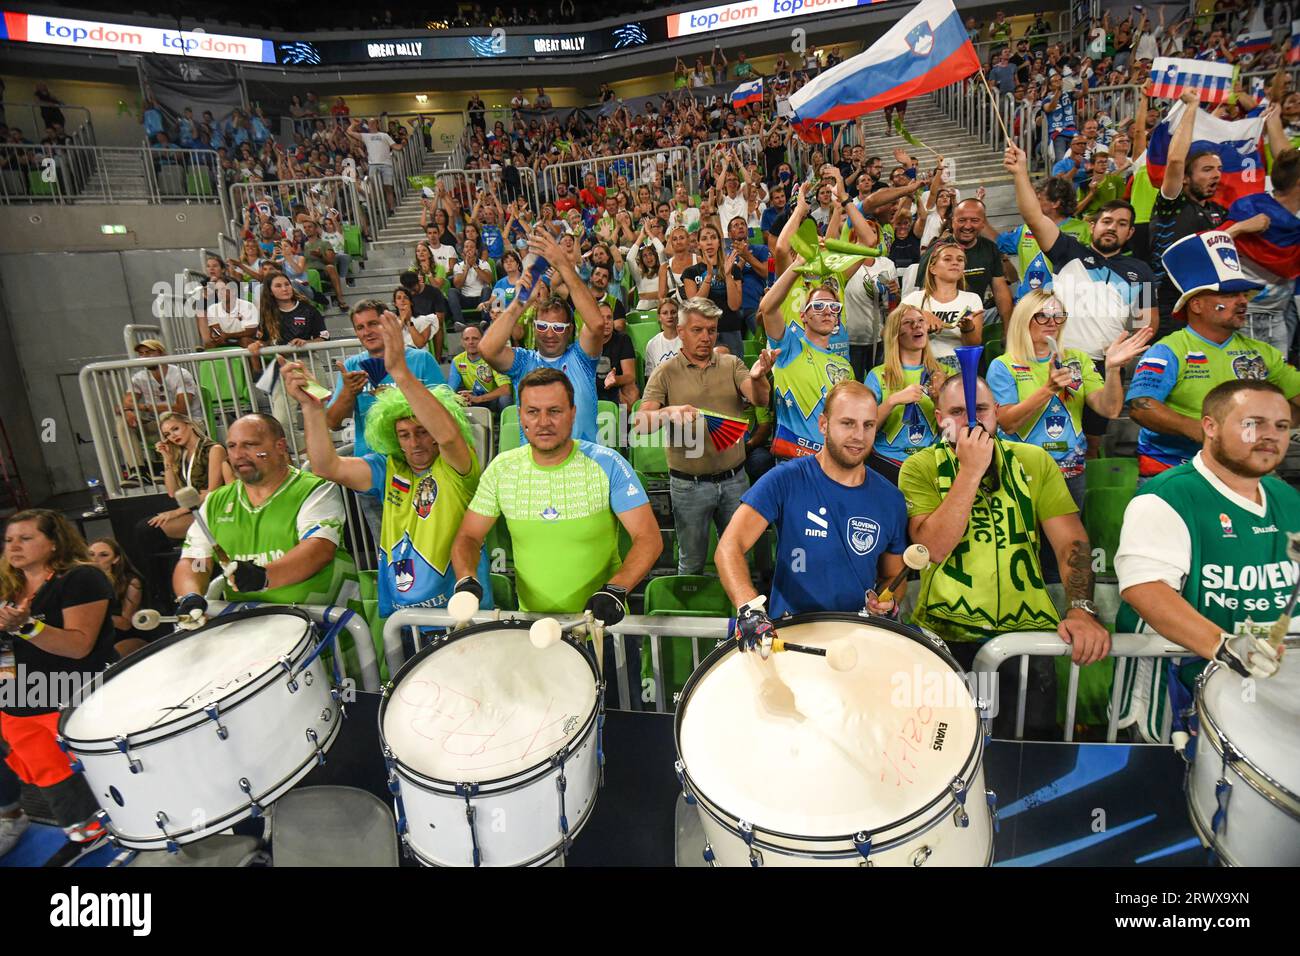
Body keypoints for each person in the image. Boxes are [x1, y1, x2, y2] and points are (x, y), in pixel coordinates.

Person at [899, 374, 1111, 736]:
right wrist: (971, 470)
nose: (971, 421)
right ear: (939, 418)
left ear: (996, 411)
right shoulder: (919, 467)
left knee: (1025, 757)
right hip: (947, 635)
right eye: (957, 412)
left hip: (1027, 637)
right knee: (947, 748)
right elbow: (933, 549)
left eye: (980, 409)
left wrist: (1080, 609)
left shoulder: (1035, 460)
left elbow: (1071, 542)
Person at [1115, 380, 1298, 743]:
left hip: (1267, 699)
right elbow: (1145, 589)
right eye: (1253, 423)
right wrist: (1225, 645)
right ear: (1210, 427)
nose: (1270, 436)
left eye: (1281, 426)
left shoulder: (1287, 498)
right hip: (1172, 703)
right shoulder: (1167, 496)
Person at [282, 313, 490, 620]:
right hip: (403, 616)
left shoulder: (457, 463)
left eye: (422, 431)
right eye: (404, 435)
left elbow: (447, 435)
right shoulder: (387, 466)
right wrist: (311, 408)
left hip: (460, 610)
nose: (415, 442)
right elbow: (326, 466)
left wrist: (400, 373)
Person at [450, 368, 663, 617]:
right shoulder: (501, 469)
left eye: (554, 411)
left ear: (572, 413)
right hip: (534, 630)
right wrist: (466, 579)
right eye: (533, 412)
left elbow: (648, 538)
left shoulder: (608, 463)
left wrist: (616, 589)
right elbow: (468, 537)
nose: (543, 422)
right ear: (520, 416)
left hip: (601, 627)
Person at [717, 382, 908, 641]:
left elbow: (893, 575)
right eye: (847, 423)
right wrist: (750, 609)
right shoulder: (785, 480)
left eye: (868, 425)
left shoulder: (890, 498)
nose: (859, 436)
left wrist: (888, 600)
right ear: (823, 424)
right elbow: (729, 547)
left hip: (857, 639)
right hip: (792, 634)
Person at [1005, 143, 1159, 454]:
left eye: (1122, 224)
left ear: (1130, 233)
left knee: (1091, 440)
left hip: (1102, 367)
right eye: (1107, 221)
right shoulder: (1068, 252)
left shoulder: (1138, 270)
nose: (1113, 228)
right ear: (1093, 225)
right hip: (1054, 359)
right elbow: (1034, 217)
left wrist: (1124, 351)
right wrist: (1020, 172)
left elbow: (1146, 324)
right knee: (1041, 432)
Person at [1127, 232, 1300, 480]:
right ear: (1196, 305)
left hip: (1241, 469)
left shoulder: (1262, 353)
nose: (1242, 302)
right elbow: (1140, 407)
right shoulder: (1168, 351)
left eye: (1244, 295)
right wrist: (1208, 433)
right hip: (1175, 470)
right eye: (1229, 296)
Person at [636, 297, 776, 576]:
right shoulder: (665, 373)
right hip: (688, 485)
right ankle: (692, 617)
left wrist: (760, 377)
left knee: (738, 558)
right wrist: (667, 413)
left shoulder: (732, 364)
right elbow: (641, 423)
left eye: (711, 330)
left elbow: (759, 399)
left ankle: (737, 615)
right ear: (682, 331)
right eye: (698, 330)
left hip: (735, 479)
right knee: (691, 561)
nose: (706, 337)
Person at [0, 510, 115, 848]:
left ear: (53, 543)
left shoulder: (81, 578)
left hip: (74, 698)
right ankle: (87, 838)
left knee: (106, 780)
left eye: (25, 538)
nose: (14, 547)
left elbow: (79, 646)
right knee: (60, 791)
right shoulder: (10, 584)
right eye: (9, 540)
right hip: (20, 702)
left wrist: (26, 626)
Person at [171, 413, 355, 617]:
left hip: (322, 620)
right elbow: (196, 561)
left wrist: (263, 577)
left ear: (280, 446)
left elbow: (317, 551)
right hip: (249, 623)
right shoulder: (215, 502)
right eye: (232, 446)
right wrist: (191, 595)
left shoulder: (316, 489)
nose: (238, 454)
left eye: (250, 445)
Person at [327, 301, 446, 539]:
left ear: (389, 324)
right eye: (360, 327)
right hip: (371, 472)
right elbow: (332, 422)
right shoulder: (352, 367)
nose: (367, 331)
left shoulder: (421, 360)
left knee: (429, 543)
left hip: (420, 469)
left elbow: (445, 415)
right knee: (387, 548)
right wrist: (348, 393)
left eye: (373, 323)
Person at [479, 229, 605, 443]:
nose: (549, 334)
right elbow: (487, 349)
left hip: (581, 467)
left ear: (569, 330)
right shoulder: (524, 362)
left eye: (557, 328)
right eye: (543, 326)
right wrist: (520, 301)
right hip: (535, 471)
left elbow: (596, 324)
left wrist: (563, 265)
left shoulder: (581, 358)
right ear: (535, 327)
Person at [1148, 94, 1229, 338]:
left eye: (1219, 169)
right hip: (1167, 304)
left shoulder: (1218, 211)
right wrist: (1193, 107)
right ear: (1185, 177)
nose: (1216, 175)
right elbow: (1175, 160)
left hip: (1204, 302)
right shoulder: (1171, 204)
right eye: (1207, 170)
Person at [759, 262, 854, 460]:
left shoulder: (845, 366)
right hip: (793, 462)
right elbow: (767, 308)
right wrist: (799, 263)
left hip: (832, 463)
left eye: (833, 307)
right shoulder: (790, 347)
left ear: (837, 317)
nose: (827, 311)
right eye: (818, 306)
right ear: (803, 316)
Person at [864, 303, 948, 485]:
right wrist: (893, 400)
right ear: (896, 334)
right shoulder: (878, 375)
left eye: (920, 321)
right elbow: (864, 429)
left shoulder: (944, 373)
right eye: (908, 323)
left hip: (931, 461)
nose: (916, 326)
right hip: (887, 462)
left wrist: (940, 401)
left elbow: (954, 432)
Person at [116, 339, 200, 486]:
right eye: (141, 354)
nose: (144, 357)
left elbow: (182, 407)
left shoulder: (181, 373)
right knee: (123, 422)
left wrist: (145, 407)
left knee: (165, 420)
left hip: (189, 423)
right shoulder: (139, 377)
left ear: (161, 353)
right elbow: (126, 402)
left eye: (149, 352)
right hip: (158, 425)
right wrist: (127, 410)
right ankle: (139, 471)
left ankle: (169, 469)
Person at [900, 241, 984, 374]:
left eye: (960, 260)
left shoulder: (972, 299)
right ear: (932, 268)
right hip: (921, 363)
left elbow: (973, 345)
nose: (955, 263)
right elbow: (889, 332)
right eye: (947, 259)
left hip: (959, 364)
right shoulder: (914, 299)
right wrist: (919, 317)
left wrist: (968, 329)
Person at [682, 223, 744, 358]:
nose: (709, 242)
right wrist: (708, 277)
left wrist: (727, 275)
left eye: (713, 237)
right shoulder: (690, 272)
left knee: (734, 375)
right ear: (698, 244)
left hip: (730, 328)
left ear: (719, 242)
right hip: (703, 332)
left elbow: (734, 305)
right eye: (704, 238)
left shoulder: (733, 269)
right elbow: (695, 306)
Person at [87, 537, 145, 657]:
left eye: (103, 555)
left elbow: (126, 624)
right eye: (91, 554)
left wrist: (94, 612)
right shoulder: (81, 582)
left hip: (124, 636)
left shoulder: (130, 582)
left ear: (116, 559)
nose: (95, 560)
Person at [448, 324, 512, 413]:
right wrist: (460, 396)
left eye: (475, 338)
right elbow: (450, 390)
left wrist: (479, 399)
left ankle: (505, 424)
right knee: (453, 399)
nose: (471, 342)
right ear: (462, 342)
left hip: (494, 400)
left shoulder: (493, 358)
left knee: (505, 398)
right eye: (467, 339)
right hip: (473, 400)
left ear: (483, 340)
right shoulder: (457, 361)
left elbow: (506, 389)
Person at [347, 117, 402, 215]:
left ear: (377, 124)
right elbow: (349, 131)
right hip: (373, 165)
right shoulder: (365, 136)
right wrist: (354, 124)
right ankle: (376, 209)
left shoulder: (384, 135)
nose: (371, 125)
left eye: (373, 123)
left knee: (388, 188)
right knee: (374, 189)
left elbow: (395, 146)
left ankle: (392, 209)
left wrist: (403, 144)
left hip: (386, 164)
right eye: (369, 123)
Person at [595, 301, 638, 408]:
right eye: (602, 318)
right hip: (592, 387)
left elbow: (630, 376)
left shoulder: (623, 339)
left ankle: (624, 424)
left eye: (609, 318)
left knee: (631, 390)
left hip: (616, 387)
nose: (606, 322)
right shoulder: (587, 342)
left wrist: (615, 380)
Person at [197, 279, 258, 351]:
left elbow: (251, 331)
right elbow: (217, 331)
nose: (220, 293)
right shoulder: (212, 309)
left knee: (245, 341)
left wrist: (227, 335)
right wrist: (220, 337)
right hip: (225, 341)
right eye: (217, 290)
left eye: (223, 289)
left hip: (244, 339)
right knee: (209, 344)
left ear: (233, 291)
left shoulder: (248, 306)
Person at [643, 299, 682, 379]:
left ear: (678, 315)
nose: (670, 316)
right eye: (665, 313)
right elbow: (650, 376)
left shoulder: (687, 339)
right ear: (659, 317)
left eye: (673, 312)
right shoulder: (652, 344)